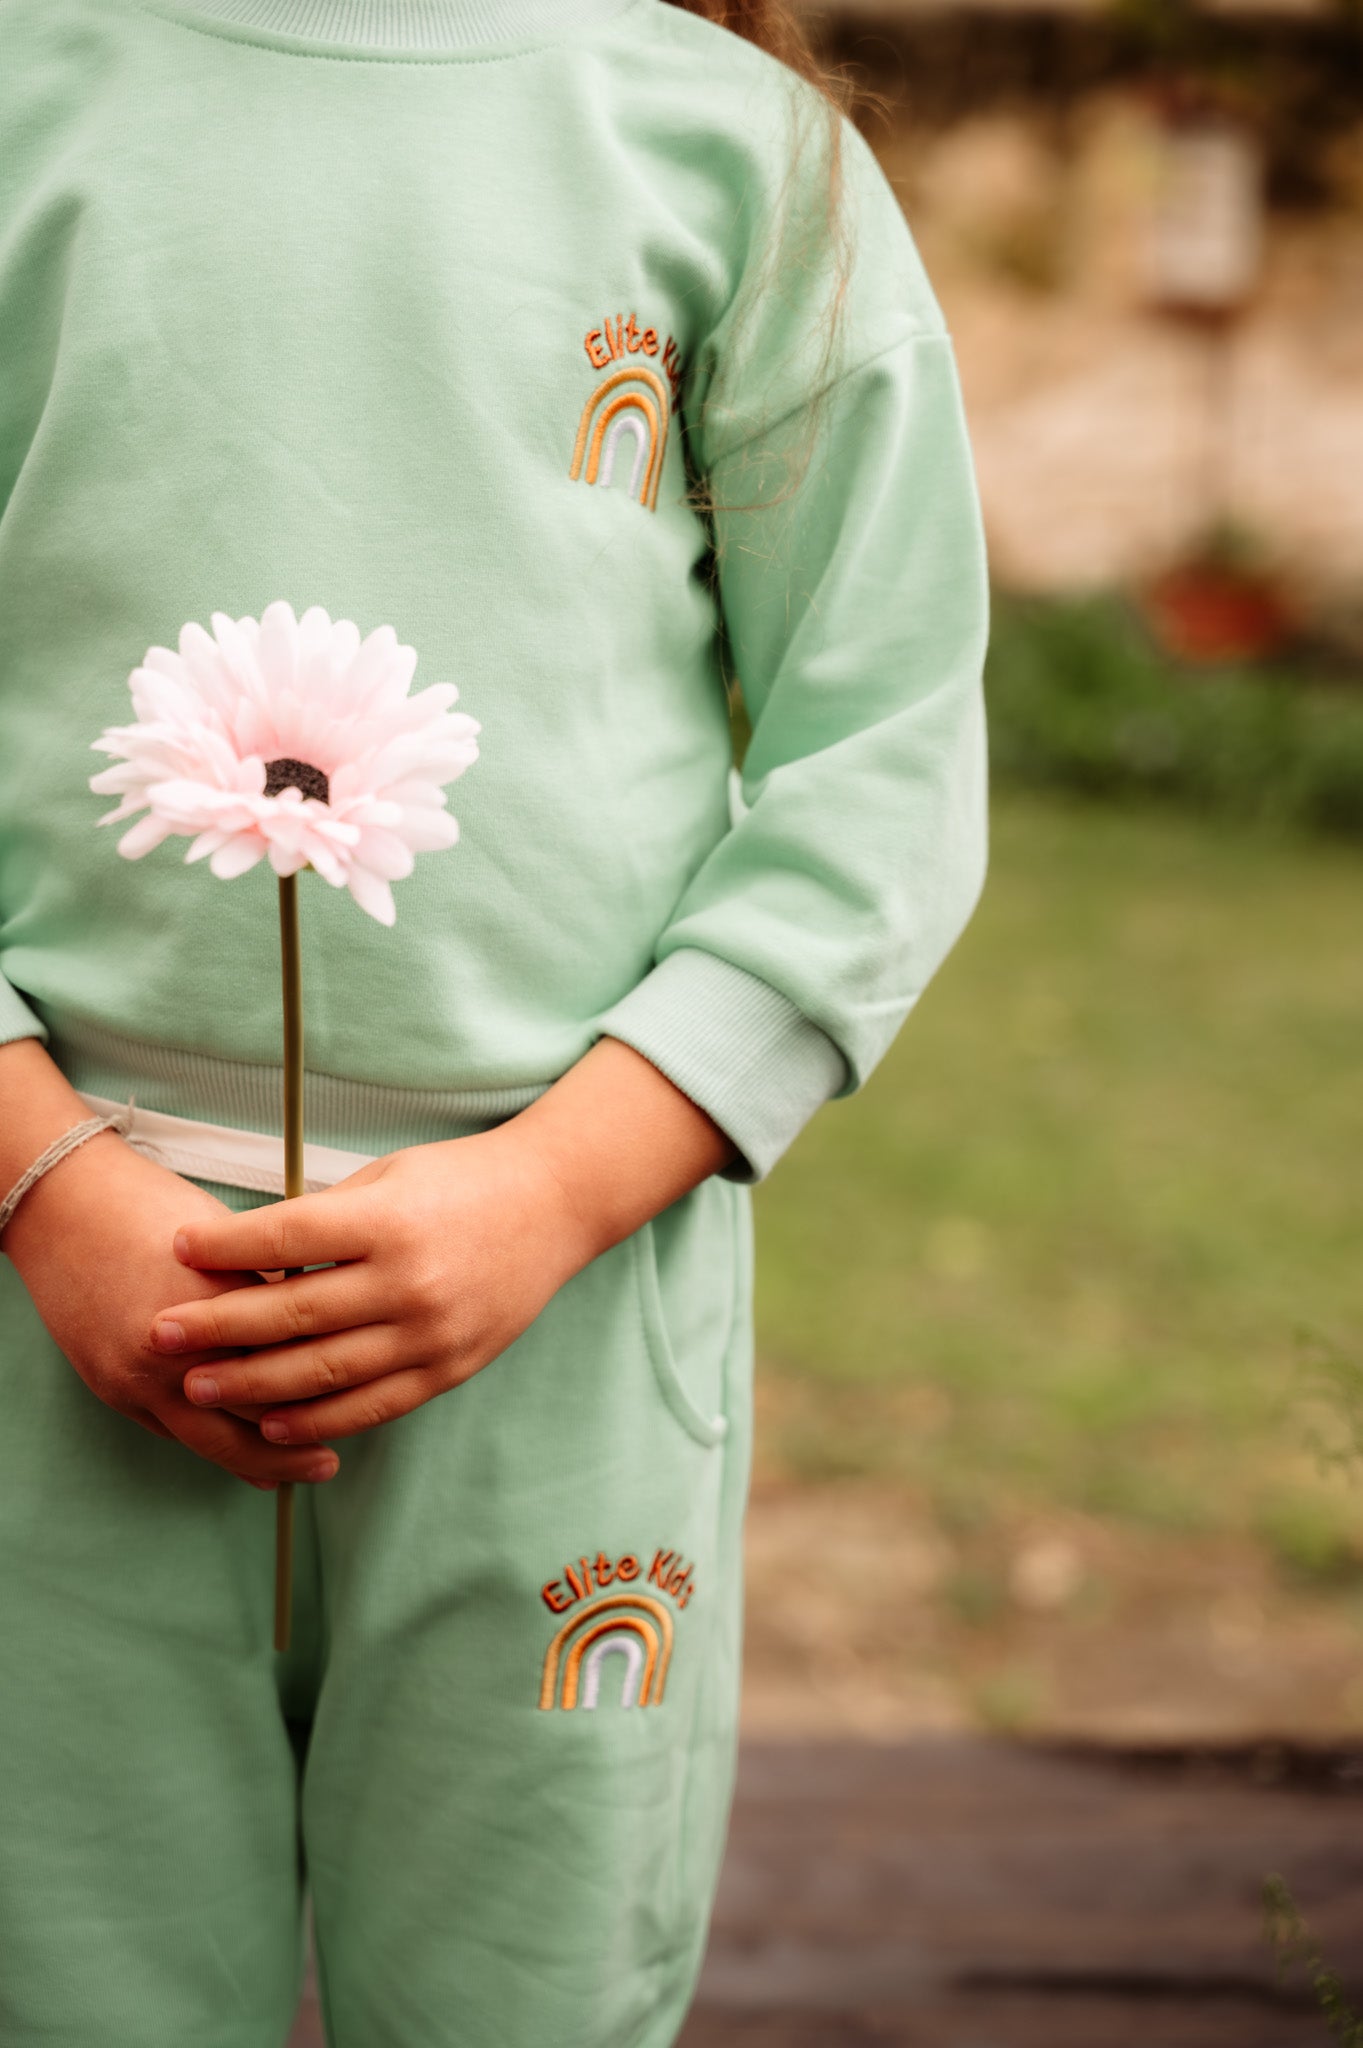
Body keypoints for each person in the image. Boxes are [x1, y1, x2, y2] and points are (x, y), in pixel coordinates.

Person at [0, 0, 988, 2042]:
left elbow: (883, 744)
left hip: (567, 1311)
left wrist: (548, 1189)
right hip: (35, 1301)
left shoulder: (743, 157)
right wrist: (39, 1174)